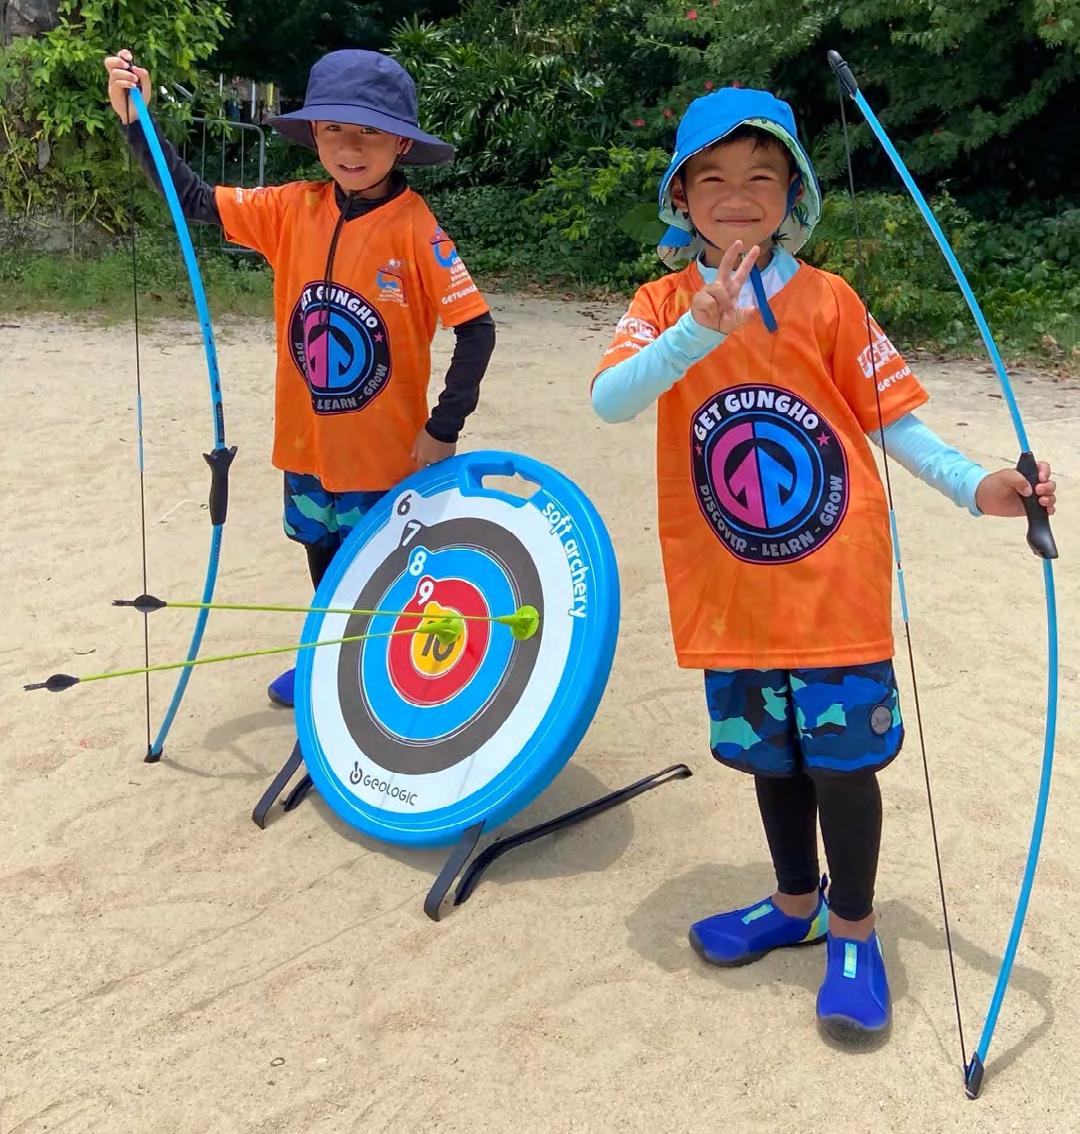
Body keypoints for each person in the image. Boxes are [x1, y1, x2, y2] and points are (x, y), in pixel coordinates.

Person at [591, 87, 1058, 1042]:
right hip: (733, 588)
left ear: (794, 193)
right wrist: (699, 328)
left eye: (761, 176)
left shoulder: (830, 299)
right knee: (773, 760)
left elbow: (897, 423)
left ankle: (852, 929)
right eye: (712, 178)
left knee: (842, 766)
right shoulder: (661, 304)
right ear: (680, 196)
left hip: (834, 582)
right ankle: (794, 901)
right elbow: (612, 400)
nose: (736, 196)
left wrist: (979, 487)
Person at [105, 48, 496, 707]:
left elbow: (477, 329)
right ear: (314, 133)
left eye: (370, 131)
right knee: (321, 556)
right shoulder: (292, 206)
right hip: (307, 446)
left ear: (402, 142)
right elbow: (193, 198)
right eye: (334, 128)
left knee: (386, 575)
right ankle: (329, 664)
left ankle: (386, 685)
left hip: (382, 457)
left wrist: (443, 426)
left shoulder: (416, 228)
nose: (350, 147)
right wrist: (136, 120)